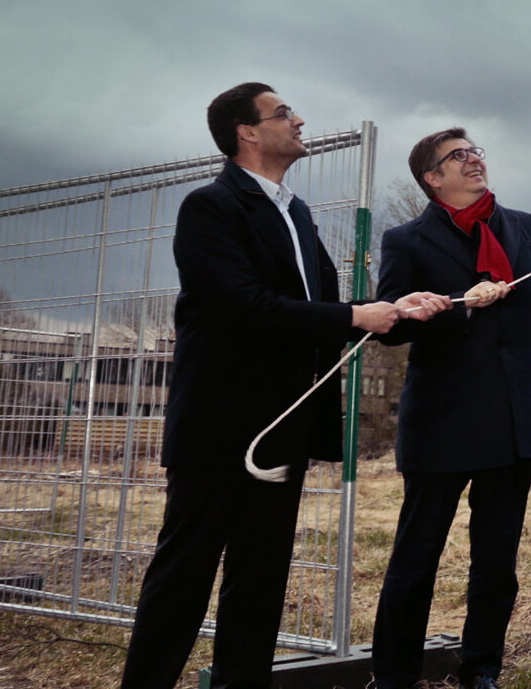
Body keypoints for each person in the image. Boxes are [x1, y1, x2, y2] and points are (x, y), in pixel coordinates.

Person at [119, 85, 443, 689]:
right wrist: (354, 316)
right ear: (246, 132)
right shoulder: (211, 207)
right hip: (219, 429)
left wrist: (396, 308)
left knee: (261, 578)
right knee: (183, 577)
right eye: (283, 114)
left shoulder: (296, 212)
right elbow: (241, 306)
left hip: (283, 428)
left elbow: (325, 307)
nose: (299, 121)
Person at [368, 129, 531, 689]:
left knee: (496, 560)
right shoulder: (406, 239)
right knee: (416, 557)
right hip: (444, 421)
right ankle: (395, 675)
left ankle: (481, 669)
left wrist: (517, 291)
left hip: (514, 417)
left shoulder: (520, 225)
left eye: (475, 151)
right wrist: (459, 307)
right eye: (458, 156)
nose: (474, 160)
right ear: (432, 178)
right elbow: (392, 332)